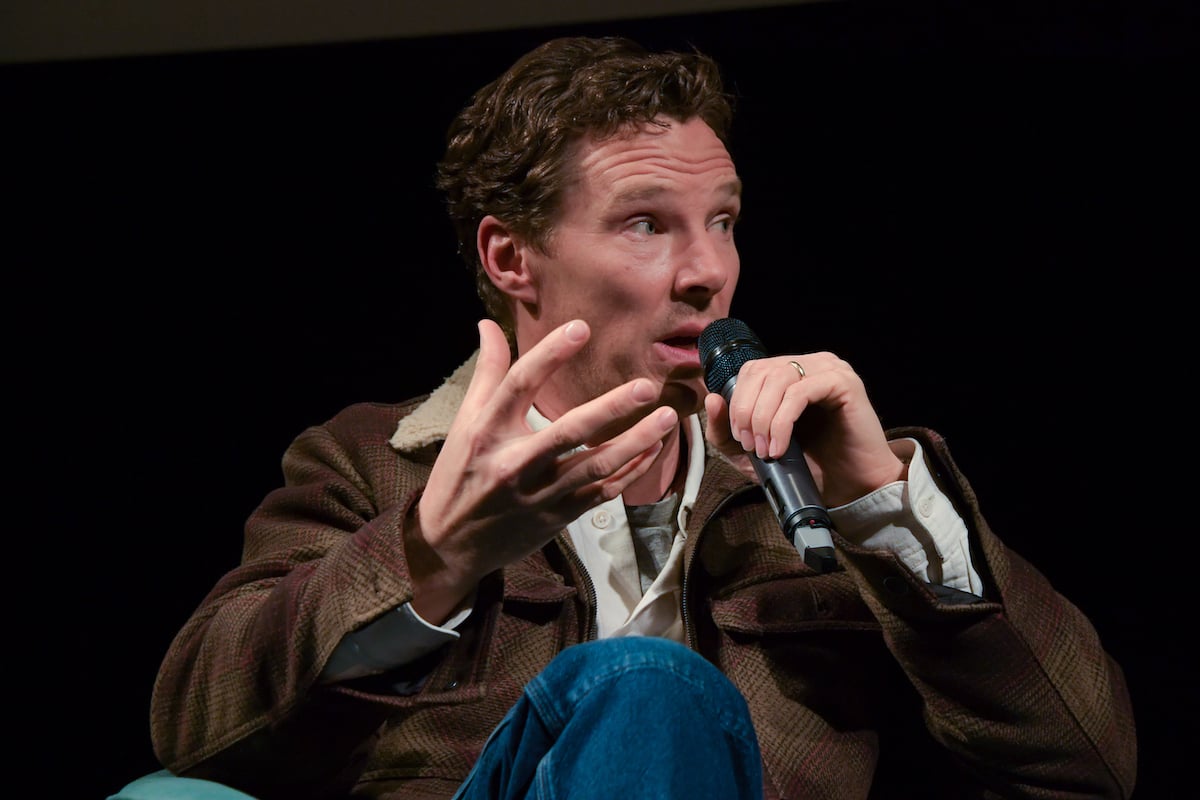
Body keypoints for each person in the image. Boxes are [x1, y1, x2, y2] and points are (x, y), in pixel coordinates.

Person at [115, 36, 1136, 800]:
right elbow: (195, 730)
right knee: (643, 681)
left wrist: (882, 496)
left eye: (723, 220)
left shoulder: (800, 484)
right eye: (647, 223)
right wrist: (432, 549)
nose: (708, 273)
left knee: (654, 688)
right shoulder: (374, 461)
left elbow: (1086, 762)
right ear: (512, 259)